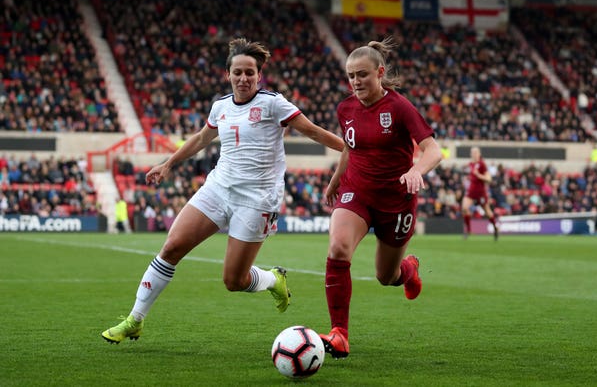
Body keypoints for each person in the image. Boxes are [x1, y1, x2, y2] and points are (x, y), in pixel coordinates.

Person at [101, 38, 344, 344]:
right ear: (228, 74)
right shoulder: (221, 107)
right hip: (218, 188)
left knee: (233, 281)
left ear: (259, 75)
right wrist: (169, 163)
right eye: (237, 72)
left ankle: (272, 278)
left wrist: (350, 147)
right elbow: (201, 138)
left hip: (257, 199)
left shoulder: (273, 103)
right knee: (172, 247)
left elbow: (312, 131)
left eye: (249, 73)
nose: (243, 78)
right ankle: (134, 320)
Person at [319, 37, 443, 359]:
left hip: (396, 201)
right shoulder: (344, 108)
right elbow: (350, 146)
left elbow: (434, 149)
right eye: (351, 76)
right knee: (338, 248)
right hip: (356, 192)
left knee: (385, 277)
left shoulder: (400, 107)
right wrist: (335, 180)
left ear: (380, 72)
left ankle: (409, 270)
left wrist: (417, 171)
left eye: (362, 75)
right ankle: (339, 334)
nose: (356, 82)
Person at [461, 147, 499, 240]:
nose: (473, 154)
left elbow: (489, 179)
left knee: (487, 212)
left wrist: (479, 175)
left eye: (475, 152)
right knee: (465, 208)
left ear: (479, 154)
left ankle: (495, 227)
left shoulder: (482, 164)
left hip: (481, 192)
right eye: (472, 152)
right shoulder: (471, 164)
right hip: (471, 191)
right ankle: (468, 230)